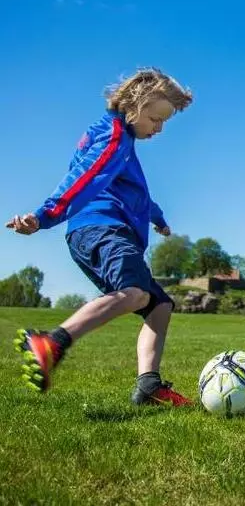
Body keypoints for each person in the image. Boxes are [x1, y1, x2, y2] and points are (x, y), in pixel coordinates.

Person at [7, 67, 194, 407]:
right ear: (136, 105)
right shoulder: (113, 137)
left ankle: (149, 386)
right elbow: (84, 178)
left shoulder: (123, 144)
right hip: (101, 228)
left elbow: (135, 193)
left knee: (160, 305)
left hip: (104, 229)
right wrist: (43, 216)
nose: (159, 129)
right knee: (136, 293)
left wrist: (158, 219)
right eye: (156, 119)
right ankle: (52, 343)